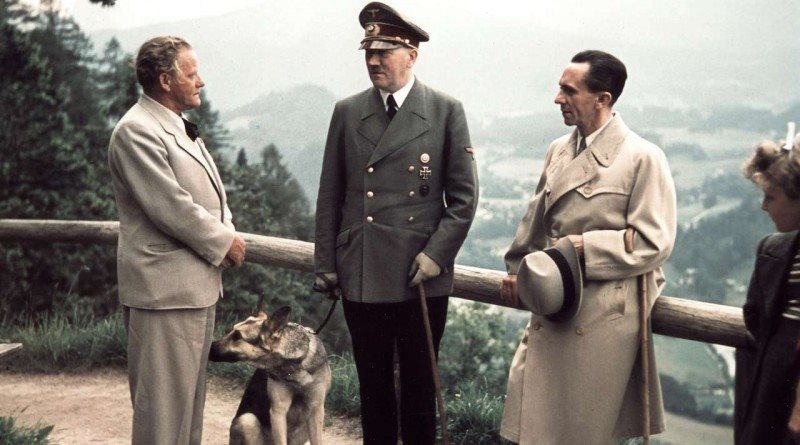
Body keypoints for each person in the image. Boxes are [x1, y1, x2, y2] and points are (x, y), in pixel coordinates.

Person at [313, 2, 478, 443]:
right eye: (369, 52)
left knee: (420, 388)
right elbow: (330, 195)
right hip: (362, 269)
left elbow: (464, 199)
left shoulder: (445, 110)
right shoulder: (348, 111)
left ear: (411, 56)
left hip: (419, 273)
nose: (373, 61)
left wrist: (436, 256)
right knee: (374, 387)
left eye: (384, 52)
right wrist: (326, 264)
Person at [499, 50, 677, 444]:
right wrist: (516, 268)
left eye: (569, 90)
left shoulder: (643, 158)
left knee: (581, 431)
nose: (558, 98)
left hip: (602, 318)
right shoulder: (559, 150)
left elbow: (654, 242)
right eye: (559, 89)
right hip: (554, 302)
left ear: (603, 99)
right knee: (534, 422)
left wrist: (584, 247)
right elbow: (536, 217)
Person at [107, 36, 246, 445]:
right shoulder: (136, 131)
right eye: (192, 73)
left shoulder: (174, 125)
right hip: (163, 294)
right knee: (163, 417)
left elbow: (212, 196)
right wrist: (224, 243)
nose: (201, 81)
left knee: (187, 414)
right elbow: (172, 207)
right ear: (166, 81)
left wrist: (227, 230)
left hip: (193, 289)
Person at [735, 135, 800, 445]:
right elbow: (756, 319)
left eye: (771, 197)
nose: (763, 206)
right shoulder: (773, 252)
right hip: (771, 397)